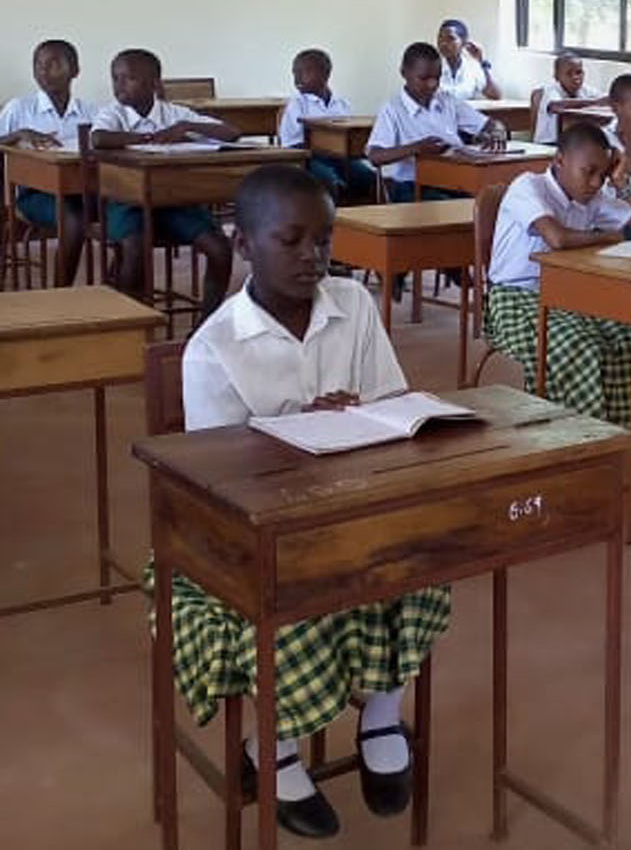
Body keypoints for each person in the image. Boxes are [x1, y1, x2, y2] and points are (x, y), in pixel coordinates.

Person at [162, 165, 448, 839]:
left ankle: (382, 713)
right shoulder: (214, 349)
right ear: (242, 244)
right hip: (249, 530)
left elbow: (392, 406)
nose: (311, 257)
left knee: (419, 558)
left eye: (324, 239)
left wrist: (367, 419)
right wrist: (302, 427)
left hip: (351, 502)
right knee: (296, 591)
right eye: (289, 240)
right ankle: (274, 746)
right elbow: (221, 479)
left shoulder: (353, 306)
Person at [484, 123, 631, 420]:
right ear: (559, 161)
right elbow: (557, 239)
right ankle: (574, 436)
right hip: (515, 298)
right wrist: (606, 236)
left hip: (571, 296)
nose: (596, 183)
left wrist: (623, 184)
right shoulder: (529, 187)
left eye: (604, 174)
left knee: (628, 340)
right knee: (581, 347)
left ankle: (616, 434)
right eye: (589, 172)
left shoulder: (592, 198)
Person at [90, 48, 237, 315]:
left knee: (220, 248)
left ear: (155, 83)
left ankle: (206, 323)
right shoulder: (114, 113)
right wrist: (148, 138)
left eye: (129, 78)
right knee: (134, 247)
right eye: (115, 78)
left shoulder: (175, 114)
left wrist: (188, 128)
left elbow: (231, 132)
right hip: (127, 203)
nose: (119, 85)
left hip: (173, 203)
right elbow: (99, 138)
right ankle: (130, 319)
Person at [0, 39, 93, 286]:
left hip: (82, 189)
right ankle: (61, 293)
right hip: (34, 194)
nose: (44, 71)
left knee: (123, 210)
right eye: (38, 65)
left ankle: (118, 286)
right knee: (73, 219)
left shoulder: (89, 111)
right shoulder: (20, 108)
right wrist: (18, 135)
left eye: (53, 64)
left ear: (75, 70)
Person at [366, 41, 506, 204]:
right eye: (424, 78)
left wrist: (497, 132)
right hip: (411, 186)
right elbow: (375, 156)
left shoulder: (447, 101)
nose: (432, 84)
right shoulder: (393, 109)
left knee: (489, 201)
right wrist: (416, 148)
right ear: (404, 73)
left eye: (437, 78)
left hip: (454, 180)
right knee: (451, 206)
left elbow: (492, 124)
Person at [278, 48, 375, 204]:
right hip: (308, 158)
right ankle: (330, 221)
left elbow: (349, 133)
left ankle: (359, 218)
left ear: (325, 74)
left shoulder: (341, 103)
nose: (297, 78)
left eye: (305, 72)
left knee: (367, 177)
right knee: (327, 179)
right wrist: (323, 146)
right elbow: (291, 144)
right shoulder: (297, 104)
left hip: (341, 157)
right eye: (294, 72)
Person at [532, 52, 606, 144]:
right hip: (548, 143)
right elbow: (556, 106)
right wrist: (594, 102)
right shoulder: (550, 90)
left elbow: (603, 99)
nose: (575, 77)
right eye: (569, 73)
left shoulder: (585, 90)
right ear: (557, 76)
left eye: (579, 72)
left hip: (572, 143)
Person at [434, 17, 501, 100]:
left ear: (464, 42)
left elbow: (494, 95)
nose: (443, 43)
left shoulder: (472, 68)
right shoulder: (430, 67)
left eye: (450, 38)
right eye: (440, 38)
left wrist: (482, 61)